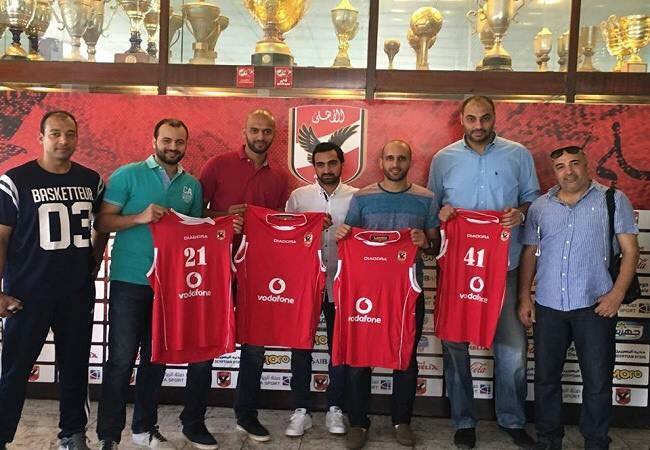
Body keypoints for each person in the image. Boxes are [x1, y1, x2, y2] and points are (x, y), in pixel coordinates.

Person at [95, 119, 223, 450]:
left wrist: (225, 224)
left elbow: (196, 230)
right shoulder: (127, 174)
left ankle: (144, 429)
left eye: (179, 142)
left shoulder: (191, 185)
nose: (172, 147)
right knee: (121, 360)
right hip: (130, 280)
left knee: (155, 359)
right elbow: (103, 221)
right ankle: (109, 435)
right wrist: (140, 217)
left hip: (171, 286)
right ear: (154, 141)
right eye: (166, 140)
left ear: (185, 145)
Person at [427, 95, 540, 449]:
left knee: (512, 349)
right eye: (472, 118)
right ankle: (464, 421)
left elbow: (532, 199)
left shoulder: (517, 154)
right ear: (461, 119)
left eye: (485, 118)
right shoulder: (443, 158)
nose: (479, 125)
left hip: (505, 267)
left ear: (494, 118)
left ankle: (512, 420)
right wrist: (442, 214)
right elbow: (433, 207)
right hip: (457, 268)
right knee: (455, 345)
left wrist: (521, 213)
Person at [518, 146, 639, 450]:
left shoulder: (613, 200)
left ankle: (596, 442)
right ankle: (549, 440)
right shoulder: (540, 207)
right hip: (548, 306)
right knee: (546, 380)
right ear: (554, 172)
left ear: (587, 165)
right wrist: (524, 297)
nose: (568, 171)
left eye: (574, 164)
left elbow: (630, 251)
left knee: (597, 382)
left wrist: (616, 295)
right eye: (560, 166)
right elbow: (530, 252)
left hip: (595, 307)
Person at [0, 111, 107, 450]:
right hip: (26, 293)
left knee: (75, 368)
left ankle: (72, 434)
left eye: (70, 133)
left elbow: (102, 224)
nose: (63, 140)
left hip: (75, 293)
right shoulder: (15, 180)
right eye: (55, 133)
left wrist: (93, 262)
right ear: (41, 137)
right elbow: (1, 237)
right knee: (14, 370)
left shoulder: (91, 180)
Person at [336, 139, 439, 449]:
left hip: (407, 292)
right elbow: (348, 239)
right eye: (390, 158)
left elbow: (435, 246)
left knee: (405, 356)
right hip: (365, 293)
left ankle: (402, 421)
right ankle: (358, 423)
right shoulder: (362, 198)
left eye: (401, 158)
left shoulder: (426, 198)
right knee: (358, 357)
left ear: (410, 162)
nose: (396, 164)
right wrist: (342, 233)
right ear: (381, 162)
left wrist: (425, 242)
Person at [199, 109, 288, 442]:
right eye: (255, 130)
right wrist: (224, 216)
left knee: (254, 347)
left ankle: (246, 415)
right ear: (244, 131)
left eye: (267, 131)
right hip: (216, 266)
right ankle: (195, 418)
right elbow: (194, 213)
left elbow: (279, 226)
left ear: (274, 135)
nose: (260, 136)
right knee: (208, 343)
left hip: (258, 271)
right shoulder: (218, 165)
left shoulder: (279, 179)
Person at [283, 142, 357, 437]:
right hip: (305, 284)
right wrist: (309, 227)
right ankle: (300, 410)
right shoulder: (298, 197)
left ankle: (335, 408)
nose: (327, 169)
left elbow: (363, 237)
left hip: (342, 282)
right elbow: (287, 238)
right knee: (301, 346)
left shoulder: (356, 197)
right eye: (321, 164)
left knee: (338, 348)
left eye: (332, 163)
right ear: (313, 167)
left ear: (342, 164)